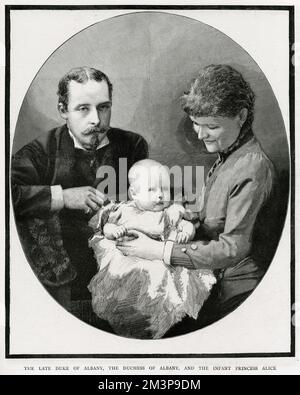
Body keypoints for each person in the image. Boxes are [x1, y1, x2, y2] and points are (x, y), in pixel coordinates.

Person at [117, 64, 279, 335]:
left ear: (241, 116)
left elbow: (232, 249)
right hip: (217, 284)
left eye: (212, 126)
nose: (200, 135)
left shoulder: (252, 167)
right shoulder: (229, 157)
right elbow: (212, 217)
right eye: (195, 124)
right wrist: (182, 215)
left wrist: (160, 251)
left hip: (238, 294)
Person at [11, 67, 148, 323]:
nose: (96, 120)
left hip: (123, 276)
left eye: (104, 107)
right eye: (83, 108)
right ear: (63, 110)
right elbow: (10, 194)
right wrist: (62, 197)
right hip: (65, 286)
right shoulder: (39, 152)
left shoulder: (133, 145)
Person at [87, 159, 216, 339]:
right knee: (134, 288)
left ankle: (163, 324)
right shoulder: (123, 210)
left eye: (164, 189)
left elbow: (187, 225)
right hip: (130, 261)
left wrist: (186, 232)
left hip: (163, 260)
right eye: (151, 190)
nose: (160, 196)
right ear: (134, 193)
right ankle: (137, 322)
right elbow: (105, 228)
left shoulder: (169, 212)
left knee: (165, 286)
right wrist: (114, 231)